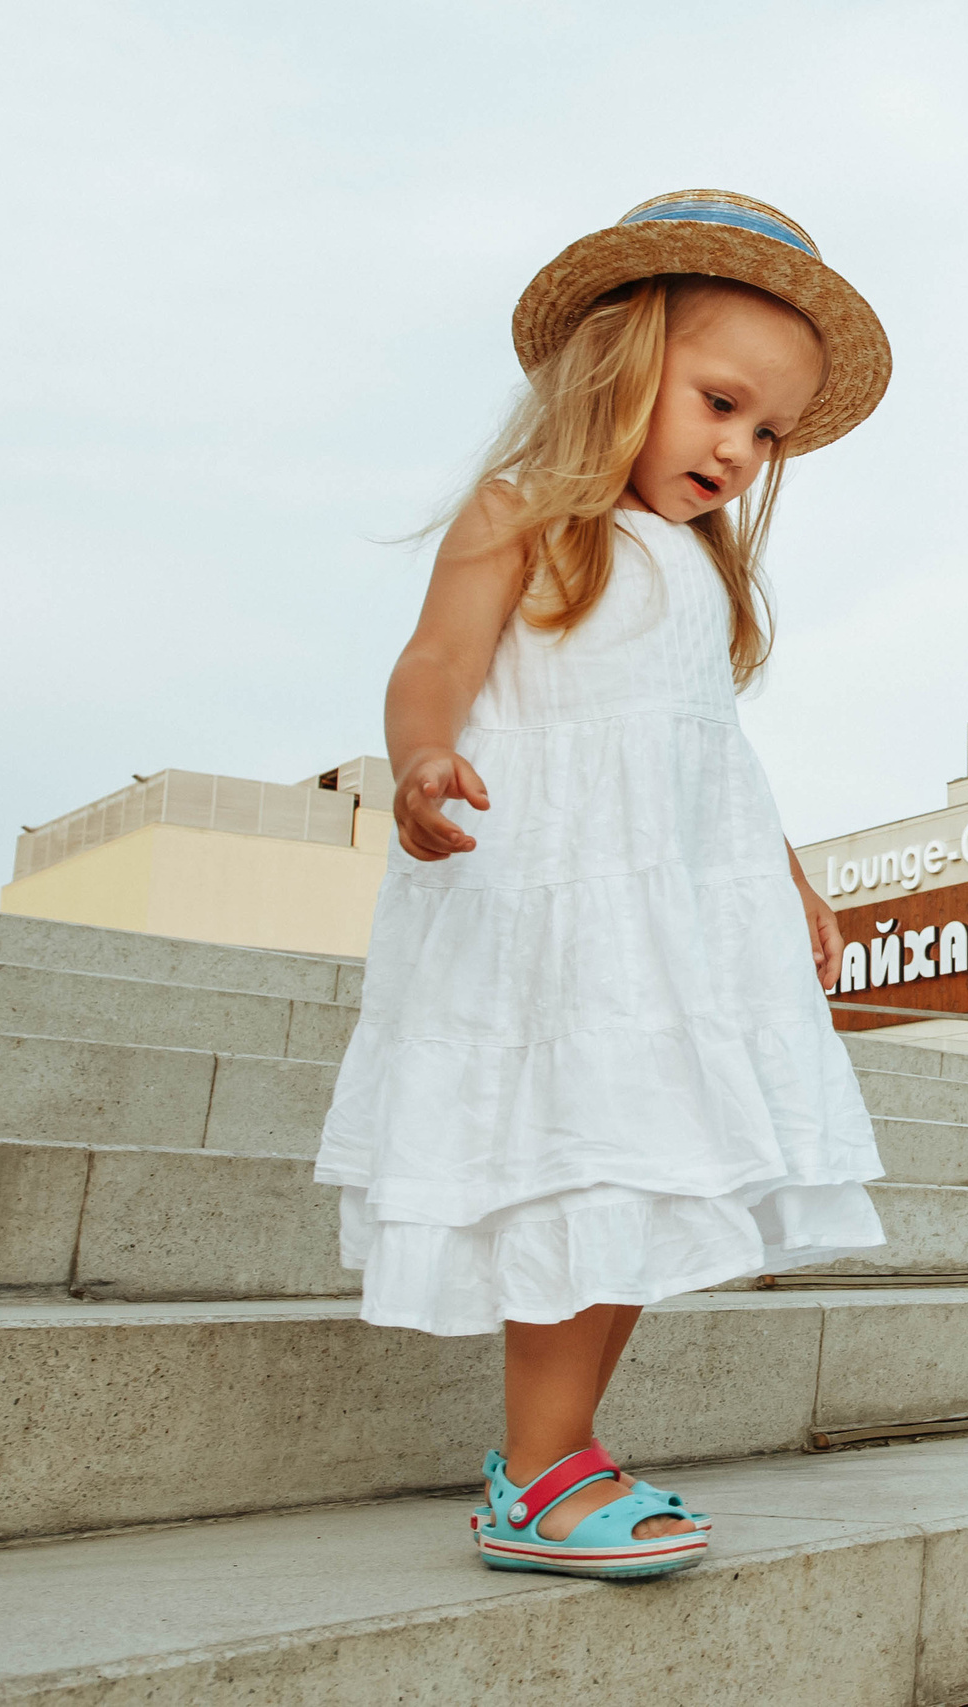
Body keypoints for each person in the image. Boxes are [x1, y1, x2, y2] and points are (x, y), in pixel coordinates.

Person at [314, 191, 891, 1580]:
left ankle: (558, 1449)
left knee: (651, 1171)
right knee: (587, 1162)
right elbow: (434, 661)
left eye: (768, 437)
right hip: (555, 904)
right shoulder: (527, 512)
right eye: (721, 403)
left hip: (677, 926)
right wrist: (421, 759)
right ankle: (540, 1463)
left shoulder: (691, 567)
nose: (742, 453)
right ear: (618, 365)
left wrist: (791, 882)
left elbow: (709, 752)